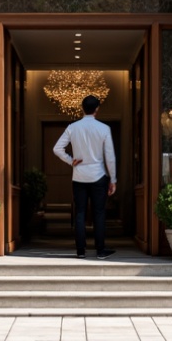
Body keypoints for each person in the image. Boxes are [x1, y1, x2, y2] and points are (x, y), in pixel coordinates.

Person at [53, 94, 117, 259]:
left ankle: (80, 251)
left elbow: (57, 149)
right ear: (97, 109)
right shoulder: (104, 129)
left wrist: (70, 160)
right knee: (99, 213)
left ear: (82, 108)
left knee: (80, 213)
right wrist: (113, 180)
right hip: (98, 176)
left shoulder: (73, 127)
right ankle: (100, 250)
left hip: (79, 176)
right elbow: (110, 156)